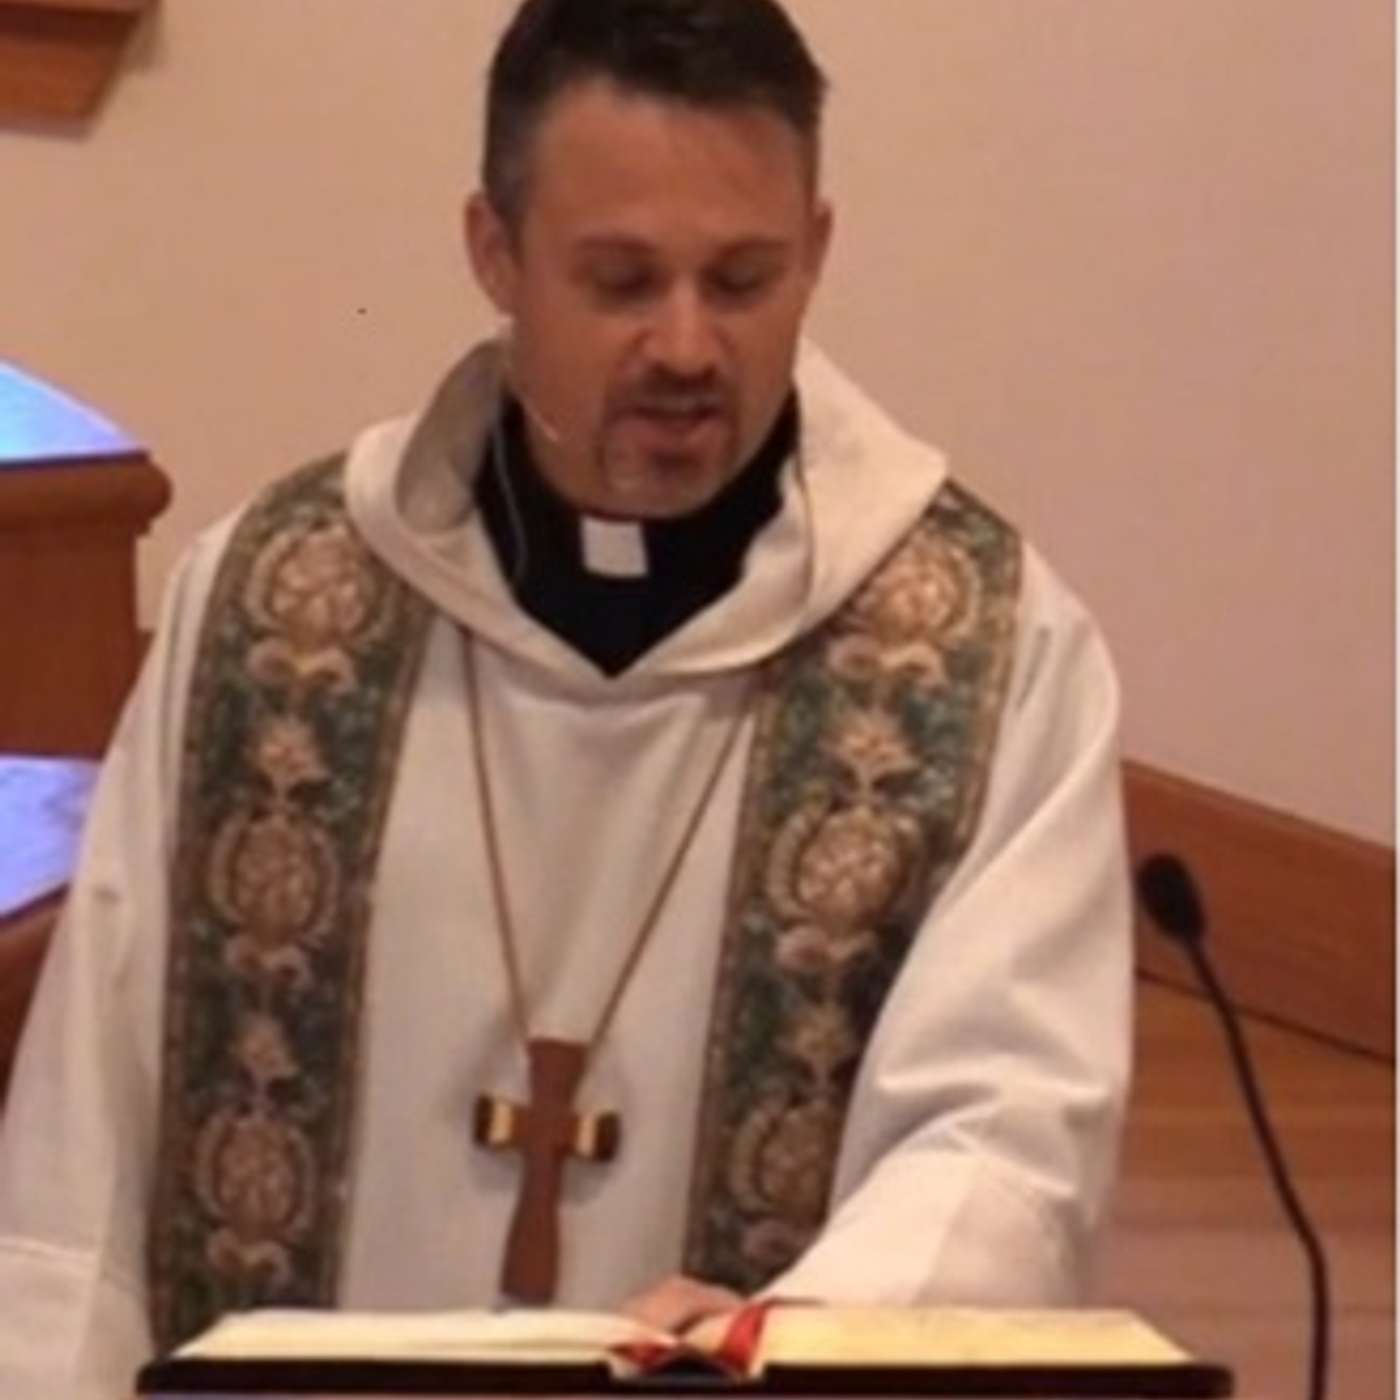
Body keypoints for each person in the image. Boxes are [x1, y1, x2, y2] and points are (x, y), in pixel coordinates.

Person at [0, 1, 1132, 1395]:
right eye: (621, 280)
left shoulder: (986, 655)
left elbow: (1002, 1140)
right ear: (496, 253)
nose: (687, 347)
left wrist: (779, 1344)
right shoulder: (272, 611)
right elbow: (87, 1147)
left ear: (818, 250)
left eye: (743, 280)